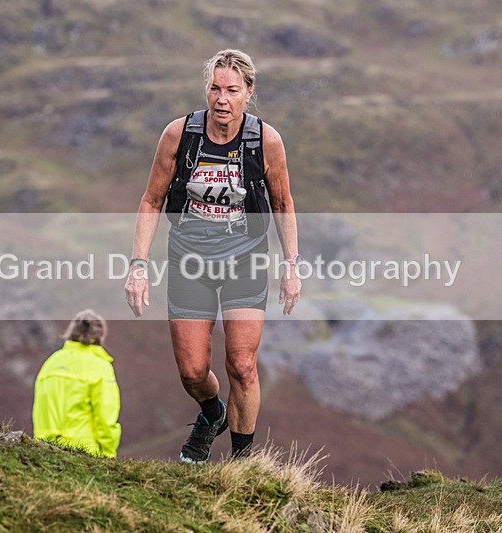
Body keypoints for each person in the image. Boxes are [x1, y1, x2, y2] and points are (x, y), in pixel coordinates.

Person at [125, 49, 301, 463]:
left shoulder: (266, 140)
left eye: (232, 91)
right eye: (215, 88)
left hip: (245, 259)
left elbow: (283, 203)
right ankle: (212, 412)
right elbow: (151, 201)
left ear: (249, 93)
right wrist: (138, 265)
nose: (222, 99)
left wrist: (291, 265)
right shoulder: (179, 134)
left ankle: (242, 465)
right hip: (190, 259)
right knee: (191, 372)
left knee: (241, 365)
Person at [33, 310, 121, 458]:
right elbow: (105, 417)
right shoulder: (100, 367)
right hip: (85, 452)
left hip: (44, 450)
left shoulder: (52, 362)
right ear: (100, 336)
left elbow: (40, 406)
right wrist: (108, 453)